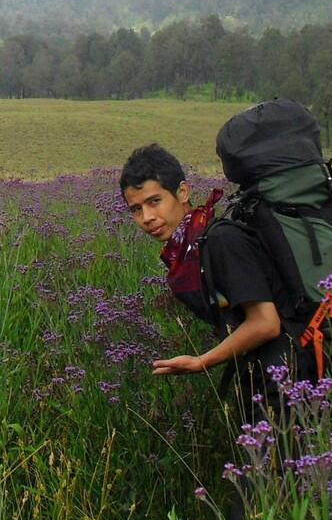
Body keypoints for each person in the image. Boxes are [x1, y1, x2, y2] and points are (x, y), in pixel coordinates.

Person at [119, 143, 308, 413]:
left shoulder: (221, 241)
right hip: (264, 378)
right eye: (136, 209)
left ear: (183, 192)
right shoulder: (191, 249)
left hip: (288, 382)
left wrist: (202, 362)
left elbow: (265, 323)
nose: (147, 218)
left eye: (155, 201)